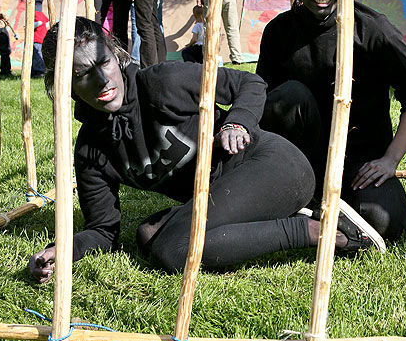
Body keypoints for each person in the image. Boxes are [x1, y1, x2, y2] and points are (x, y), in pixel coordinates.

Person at [26, 17, 386, 283]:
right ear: (63, 86)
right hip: (219, 194)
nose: (102, 81)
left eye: (103, 63)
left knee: (171, 249)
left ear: (118, 57)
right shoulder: (92, 150)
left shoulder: (163, 83)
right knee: (148, 235)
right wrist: (64, 251)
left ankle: (318, 231)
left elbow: (250, 82)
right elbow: (104, 230)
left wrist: (237, 123)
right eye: (82, 74)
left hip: (272, 166)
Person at [257, 0, 406, 242]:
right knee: (290, 95)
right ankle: (302, 194)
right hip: (301, 159)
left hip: (359, 162)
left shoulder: (373, 30)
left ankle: (317, 208)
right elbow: (263, 102)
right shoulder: (279, 33)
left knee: (385, 220)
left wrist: (390, 160)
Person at [31, 0, 49, 78]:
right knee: (36, 56)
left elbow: (40, 22)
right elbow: (46, 23)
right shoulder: (41, 13)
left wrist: (31, 26)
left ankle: (39, 71)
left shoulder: (34, 13)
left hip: (37, 39)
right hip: (41, 38)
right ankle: (35, 71)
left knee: (37, 56)